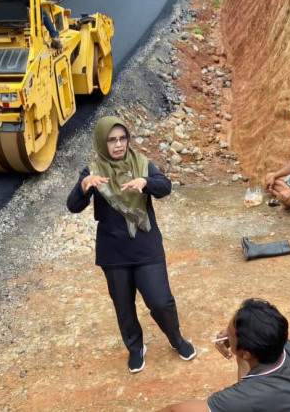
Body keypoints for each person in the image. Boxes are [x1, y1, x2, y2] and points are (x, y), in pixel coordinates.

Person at [66, 116, 195, 373]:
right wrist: (83, 187)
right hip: (113, 252)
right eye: (111, 140)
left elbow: (165, 187)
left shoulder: (142, 164)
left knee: (160, 301)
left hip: (146, 246)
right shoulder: (94, 170)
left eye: (122, 138)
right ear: (102, 143)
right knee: (123, 307)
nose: (118, 145)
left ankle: (176, 339)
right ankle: (135, 348)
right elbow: (73, 206)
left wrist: (146, 183)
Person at [159, 299, 290, 412]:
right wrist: (236, 342)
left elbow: (177, 410)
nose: (225, 335)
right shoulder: (286, 346)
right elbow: (248, 389)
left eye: (229, 334)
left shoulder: (246, 396)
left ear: (246, 353)